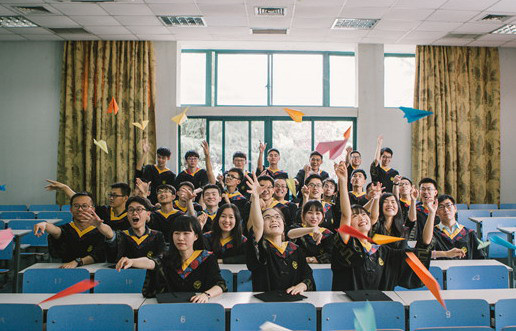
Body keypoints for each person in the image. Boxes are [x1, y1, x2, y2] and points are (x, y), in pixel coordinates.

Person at [331, 161, 434, 291]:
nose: (362, 217)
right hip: (346, 305)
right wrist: (343, 180)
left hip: (377, 305)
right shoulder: (346, 244)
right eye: (355, 216)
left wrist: (432, 214)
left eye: (364, 215)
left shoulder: (381, 251)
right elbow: (346, 215)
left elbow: (423, 246)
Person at [117, 215, 226, 302]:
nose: (180, 238)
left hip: (198, 306)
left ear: (196, 236)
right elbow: (152, 263)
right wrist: (131, 261)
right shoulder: (167, 257)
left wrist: (206, 295)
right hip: (171, 309)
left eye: (186, 233)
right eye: (177, 233)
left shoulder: (207, 258)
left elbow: (220, 285)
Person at [245, 173, 315, 294]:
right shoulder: (261, 248)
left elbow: (308, 276)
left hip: (294, 303)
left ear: (283, 225)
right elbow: (256, 227)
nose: (273, 219)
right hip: (265, 304)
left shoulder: (294, 249)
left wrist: (302, 286)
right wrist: (256, 197)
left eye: (277, 217)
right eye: (267, 217)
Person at [33, 192, 106, 268]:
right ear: (71, 209)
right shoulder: (67, 228)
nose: (80, 209)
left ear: (92, 209)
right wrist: (45, 224)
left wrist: (78, 261)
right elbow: (56, 231)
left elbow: (98, 255)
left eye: (84, 206)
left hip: (94, 273)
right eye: (76, 206)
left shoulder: (100, 231)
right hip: (66, 270)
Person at [86, 196, 166, 263]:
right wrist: (99, 225)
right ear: (127, 215)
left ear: (148, 214)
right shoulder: (122, 235)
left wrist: (134, 262)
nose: (134, 213)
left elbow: (160, 260)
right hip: (125, 277)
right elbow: (110, 233)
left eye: (139, 209)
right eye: (131, 210)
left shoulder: (157, 236)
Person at [45, 180, 131, 231]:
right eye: (110, 195)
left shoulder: (131, 216)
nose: (111, 198)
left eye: (115, 196)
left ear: (125, 198)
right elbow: (81, 201)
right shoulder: (104, 211)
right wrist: (65, 188)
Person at [431, 194, 485, 260]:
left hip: (465, 269)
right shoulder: (432, 233)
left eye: (448, 205)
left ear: (455, 209)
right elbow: (424, 255)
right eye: (441, 207)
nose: (446, 209)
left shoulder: (469, 233)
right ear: (436, 212)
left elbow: (479, 258)